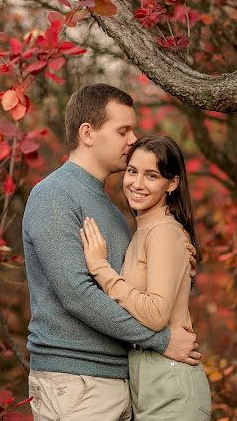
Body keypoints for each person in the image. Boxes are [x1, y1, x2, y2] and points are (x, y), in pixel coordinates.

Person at [23, 85, 201, 421]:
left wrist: (180, 261)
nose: (133, 139)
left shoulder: (116, 214)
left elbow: (133, 291)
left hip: (123, 379)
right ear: (87, 133)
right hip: (76, 380)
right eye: (123, 130)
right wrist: (160, 340)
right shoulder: (53, 196)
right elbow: (76, 294)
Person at [81, 134, 212, 420]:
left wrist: (100, 268)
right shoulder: (145, 231)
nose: (137, 184)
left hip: (171, 383)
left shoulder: (164, 231)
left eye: (151, 175)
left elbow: (155, 314)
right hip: (151, 379)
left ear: (172, 183)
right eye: (132, 171)